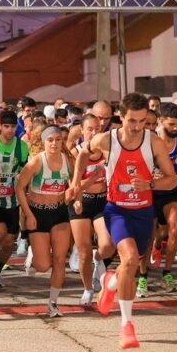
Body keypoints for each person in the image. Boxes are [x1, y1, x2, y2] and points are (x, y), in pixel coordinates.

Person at [71, 92, 177, 349]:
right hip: (116, 210)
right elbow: (84, 154)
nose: (137, 126)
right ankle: (127, 326)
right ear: (121, 117)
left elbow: (172, 179)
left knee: (130, 265)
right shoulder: (106, 140)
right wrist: (75, 183)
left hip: (143, 212)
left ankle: (110, 281)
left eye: (143, 121)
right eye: (132, 121)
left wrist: (150, 183)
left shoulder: (154, 143)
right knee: (129, 259)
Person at [15, 125, 73, 317]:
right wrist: (29, 215)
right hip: (38, 214)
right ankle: (33, 257)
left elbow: (74, 184)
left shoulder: (68, 160)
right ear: (43, 142)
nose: (54, 143)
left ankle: (53, 303)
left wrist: (77, 197)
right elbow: (19, 188)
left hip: (59, 213)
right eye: (50, 140)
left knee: (59, 260)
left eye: (58, 139)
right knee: (43, 266)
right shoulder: (36, 163)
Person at [143, 103, 177, 296]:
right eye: (171, 124)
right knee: (148, 236)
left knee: (174, 229)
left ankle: (167, 273)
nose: (175, 128)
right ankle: (142, 276)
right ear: (161, 121)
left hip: (171, 191)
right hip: (151, 192)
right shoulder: (149, 141)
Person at [68, 114, 113, 305]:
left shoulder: (107, 151)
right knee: (84, 252)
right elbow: (74, 186)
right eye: (90, 129)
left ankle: (99, 258)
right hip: (81, 203)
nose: (94, 133)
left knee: (107, 245)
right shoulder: (74, 153)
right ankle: (87, 288)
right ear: (82, 131)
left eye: (98, 129)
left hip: (102, 201)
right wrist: (96, 176)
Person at [0, 110, 29, 288]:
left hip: (12, 199)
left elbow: (24, 172)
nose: (9, 130)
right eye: (6, 126)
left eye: (13, 127)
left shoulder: (22, 147)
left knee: (10, 241)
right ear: (0, 127)